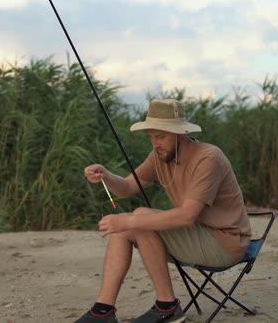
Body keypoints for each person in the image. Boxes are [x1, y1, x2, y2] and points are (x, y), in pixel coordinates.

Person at [75, 99, 251, 323]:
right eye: (151, 137)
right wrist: (105, 175)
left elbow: (187, 216)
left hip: (226, 242)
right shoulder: (161, 155)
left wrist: (128, 222)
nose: (155, 144)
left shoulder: (208, 158)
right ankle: (103, 310)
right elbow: (127, 187)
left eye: (160, 136)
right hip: (199, 235)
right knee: (137, 220)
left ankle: (166, 306)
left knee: (137, 219)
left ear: (180, 133)